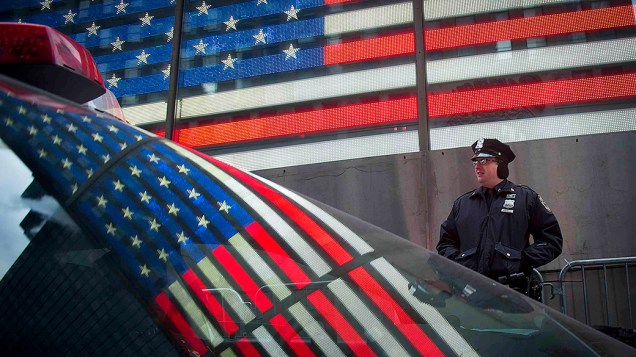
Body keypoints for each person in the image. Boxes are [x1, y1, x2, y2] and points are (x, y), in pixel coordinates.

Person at [437, 138, 563, 296]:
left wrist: (522, 261)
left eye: (484, 160)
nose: (477, 165)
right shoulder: (462, 204)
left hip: (513, 296)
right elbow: (445, 244)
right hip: (470, 295)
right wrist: (461, 264)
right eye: (475, 161)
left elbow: (552, 241)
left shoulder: (525, 198)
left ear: (502, 164)